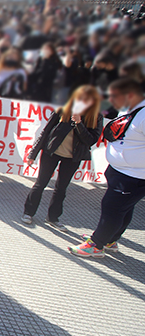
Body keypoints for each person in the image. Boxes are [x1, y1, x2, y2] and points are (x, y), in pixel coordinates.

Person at [70, 78, 145, 258]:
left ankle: (96, 245)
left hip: (134, 176)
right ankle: (110, 239)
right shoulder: (129, 107)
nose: (112, 100)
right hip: (121, 171)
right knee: (123, 208)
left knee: (112, 208)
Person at [21, 85, 103, 230]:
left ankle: (53, 217)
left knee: (61, 188)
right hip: (51, 152)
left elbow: (90, 140)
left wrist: (79, 124)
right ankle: (28, 213)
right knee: (40, 183)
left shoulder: (96, 117)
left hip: (72, 157)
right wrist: (33, 154)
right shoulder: (63, 109)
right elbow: (45, 132)